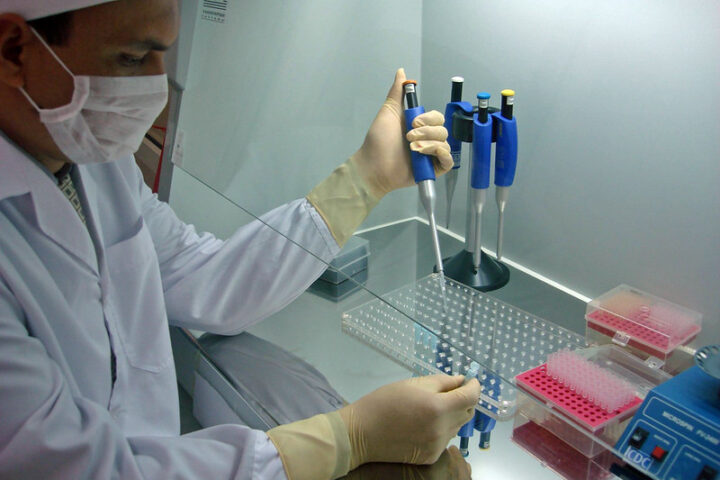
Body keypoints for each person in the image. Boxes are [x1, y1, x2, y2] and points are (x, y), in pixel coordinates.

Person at [0, 1, 482, 479]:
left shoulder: (94, 162)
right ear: (13, 49)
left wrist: (364, 180)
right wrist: (345, 439)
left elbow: (206, 281)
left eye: (163, 55)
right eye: (131, 58)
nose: (157, 89)